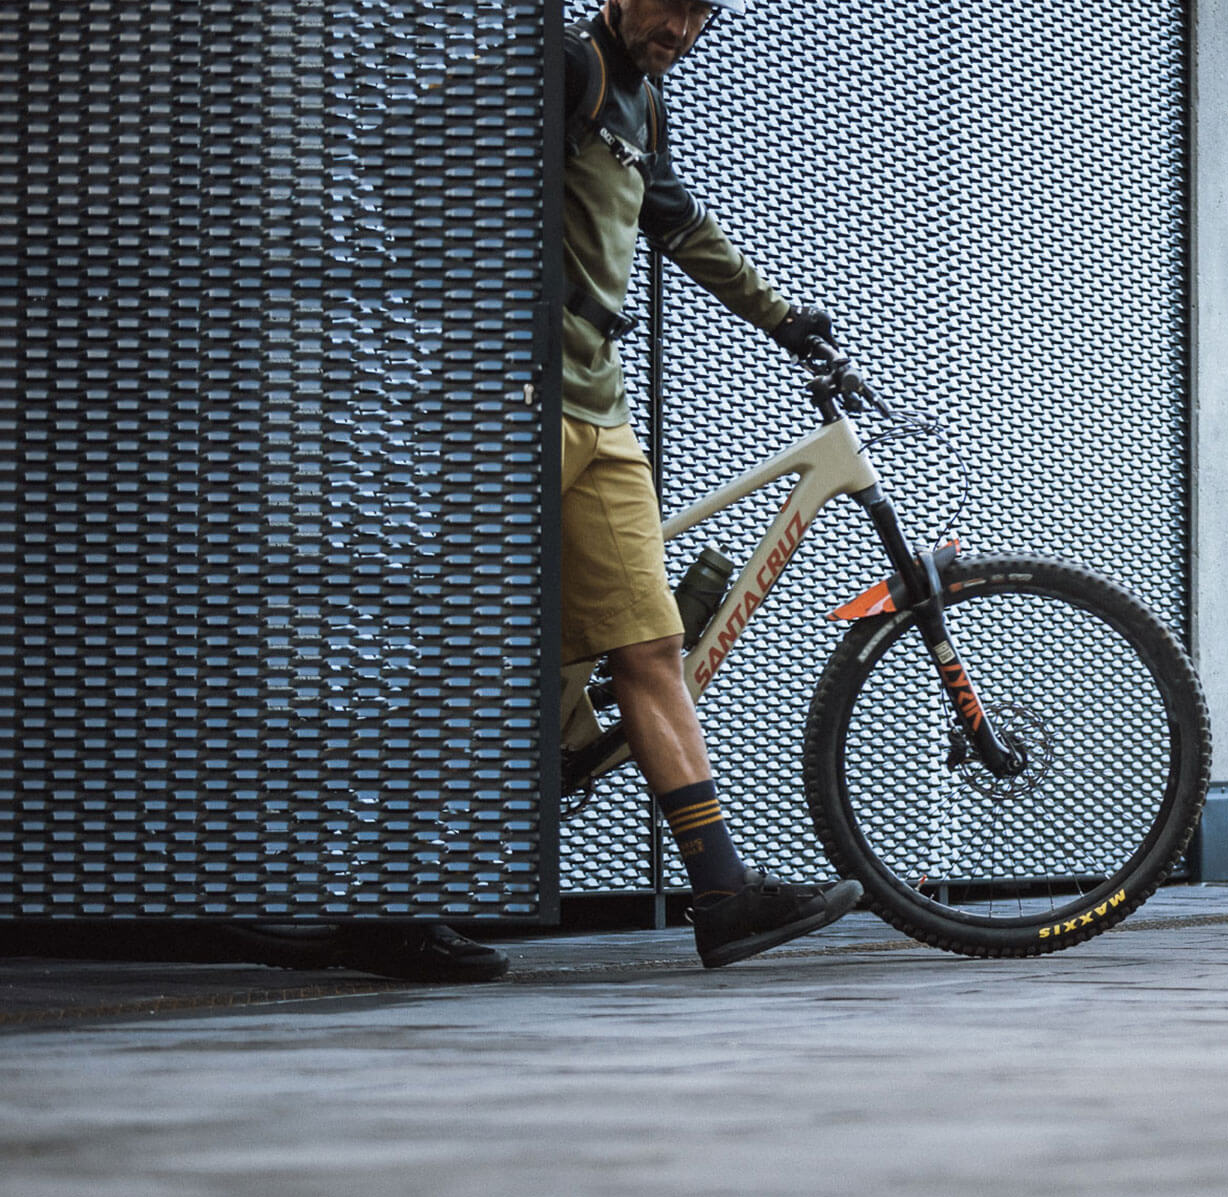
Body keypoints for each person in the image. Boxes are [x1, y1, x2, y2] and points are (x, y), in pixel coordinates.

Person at [246, 0, 860, 984]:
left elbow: (682, 227)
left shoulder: (636, 101)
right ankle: (390, 908)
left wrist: (788, 322)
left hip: (599, 412)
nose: (684, 32)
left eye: (703, 15)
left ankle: (722, 896)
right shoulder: (563, 64)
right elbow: (401, 149)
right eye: (674, 8)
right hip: (503, 406)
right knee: (473, 666)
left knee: (651, 645)